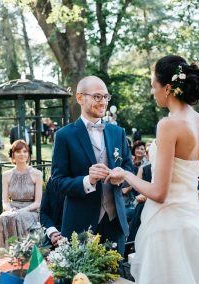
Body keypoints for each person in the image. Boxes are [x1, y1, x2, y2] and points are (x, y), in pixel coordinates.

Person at [108, 55, 199, 283]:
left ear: (166, 88)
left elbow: (159, 193)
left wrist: (125, 174)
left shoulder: (168, 125)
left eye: (153, 86)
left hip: (166, 229)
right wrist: (195, 222)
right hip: (195, 224)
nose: (152, 92)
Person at [51, 75, 132, 255]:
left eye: (105, 97)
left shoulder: (118, 132)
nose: (103, 101)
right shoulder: (64, 136)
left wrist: (121, 179)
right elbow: (57, 182)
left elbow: (129, 171)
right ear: (80, 98)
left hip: (114, 223)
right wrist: (88, 180)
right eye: (97, 96)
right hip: (79, 227)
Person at [0, 140, 42, 251]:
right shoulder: (6, 175)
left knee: (17, 217)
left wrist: (22, 211)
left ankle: (21, 254)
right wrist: (10, 209)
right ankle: (4, 254)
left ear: (28, 154)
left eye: (25, 151)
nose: (22, 154)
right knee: (3, 217)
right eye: (18, 151)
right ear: (13, 155)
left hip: (31, 211)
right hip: (13, 208)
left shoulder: (37, 174)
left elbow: (37, 203)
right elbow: (5, 202)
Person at [40, 177, 65, 248]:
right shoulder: (52, 181)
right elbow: (43, 213)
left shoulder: (86, 182)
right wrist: (52, 233)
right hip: (53, 237)